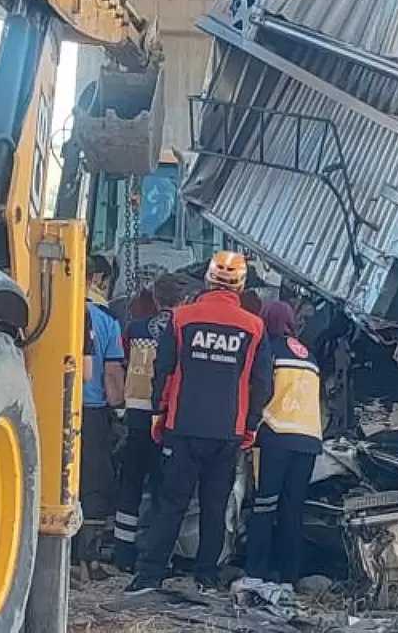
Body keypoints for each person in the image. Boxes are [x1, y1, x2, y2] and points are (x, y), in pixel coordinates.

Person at [127, 251, 273, 595]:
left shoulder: (181, 319)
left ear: (208, 280)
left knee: (171, 503)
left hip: (183, 427)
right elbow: (262, 383)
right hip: (228, 432)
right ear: (241, 284)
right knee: (215, 506)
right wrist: (250, 426)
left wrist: (159, 415)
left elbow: (162, 372)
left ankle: (149, 575)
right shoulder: (254, 327)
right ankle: (206, 577)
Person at [243, 300, 323, 585]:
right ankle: (289, 577)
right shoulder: (309, 356)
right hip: (309, 440)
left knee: (264, 506)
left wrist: (248, 425)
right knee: (292, 509)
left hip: (275, 435)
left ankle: (256, 573)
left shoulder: (268, 349)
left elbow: (261, 389)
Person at [113, 274, 183, 571]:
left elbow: (122, 360)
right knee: (160, 489)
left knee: (130, 484)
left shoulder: (135, 328)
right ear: (181, 301)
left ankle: (122, 553)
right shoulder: (182, 330)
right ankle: (154, 556)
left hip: (135, 415)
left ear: (155, 299)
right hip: (165, 419)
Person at [78, 255, 125, 574]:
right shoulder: (106, 322)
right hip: (93, 412)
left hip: (51, 408)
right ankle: (88, 558)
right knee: (94, 483)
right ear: (96, 279)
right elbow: (111, 376)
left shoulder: (47, 310)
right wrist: (119, 408)